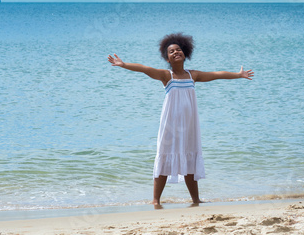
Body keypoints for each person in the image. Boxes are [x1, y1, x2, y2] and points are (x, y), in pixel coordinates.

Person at [107, 33, 254, 208]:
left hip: (190, 126)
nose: (176, 52)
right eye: (171, 51)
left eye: (178, 50)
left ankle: (196, 200)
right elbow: (145, 68)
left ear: (185, 53)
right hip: (170, 125)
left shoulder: (193, 75)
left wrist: (238, 75)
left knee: (190, 158)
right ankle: (156, 200)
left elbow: (216, 74)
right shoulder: (166, 75)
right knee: (164, 156)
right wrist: (124, 65)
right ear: (167, 58)